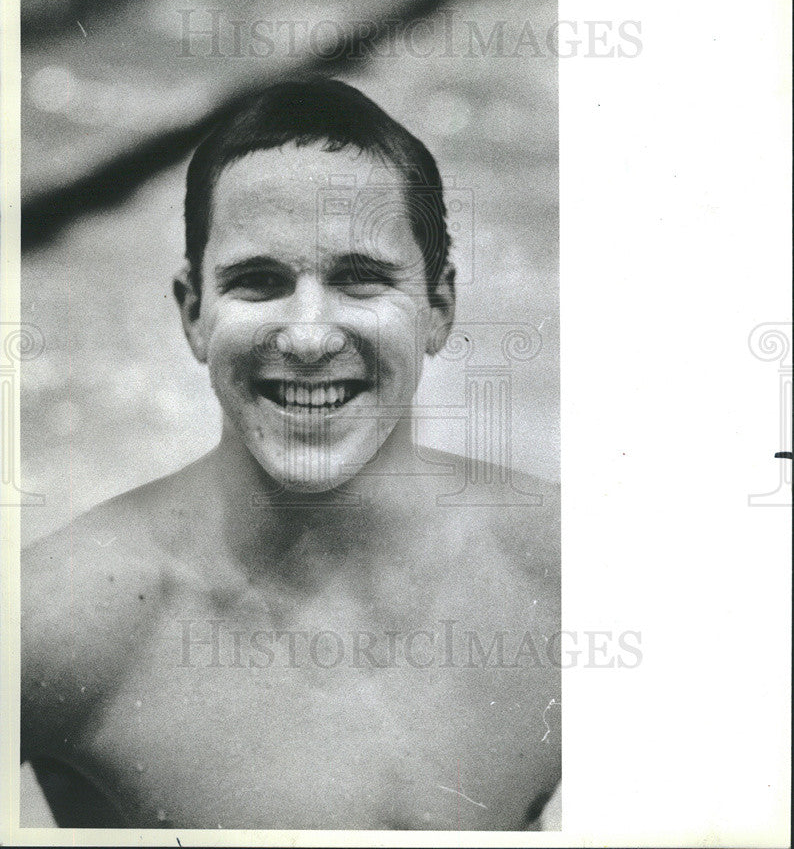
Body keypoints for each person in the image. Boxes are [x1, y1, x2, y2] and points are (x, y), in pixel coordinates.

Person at [21, 78, 560, 831]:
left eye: (360, 280)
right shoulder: (64, 621)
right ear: (194, 313)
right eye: (260, 283)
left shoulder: (563, 576)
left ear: (439, 308)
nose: (309, 337)